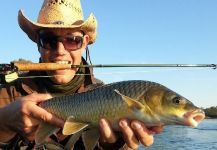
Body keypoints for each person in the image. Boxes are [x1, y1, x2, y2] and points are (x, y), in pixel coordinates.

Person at [0, 0, 164, 149]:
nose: (60, 51)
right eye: (49, 39)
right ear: (38, 42)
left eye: (72, 40)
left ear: (84, 43)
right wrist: (3, 125)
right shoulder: (8, 92)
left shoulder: (108, 94)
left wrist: (113, 145)